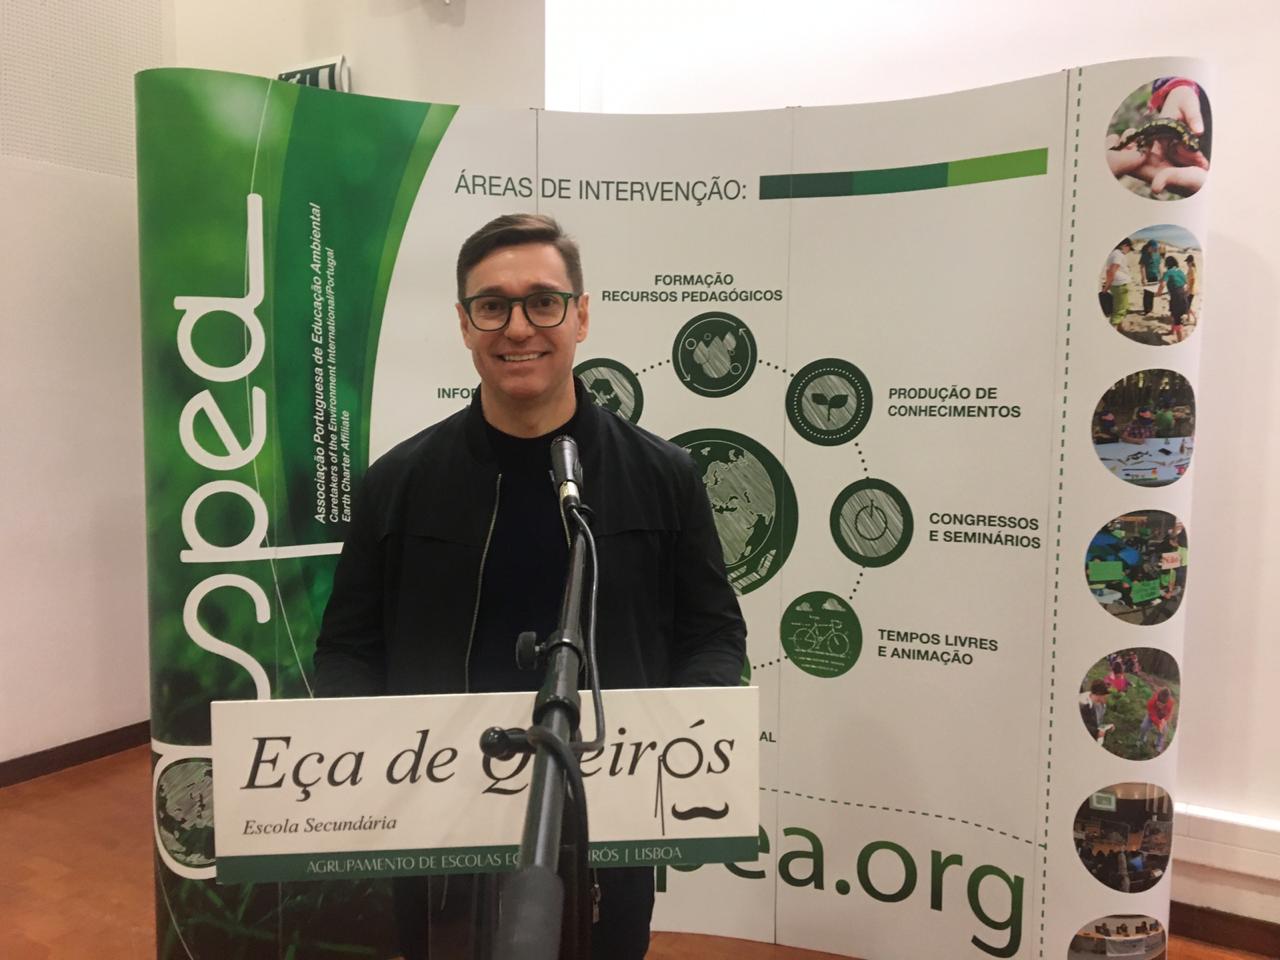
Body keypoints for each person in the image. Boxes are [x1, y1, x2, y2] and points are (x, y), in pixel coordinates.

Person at [315, 213, 748, 960]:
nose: (518, 328)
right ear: (464, 323)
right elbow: (348, 649)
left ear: (581, 315)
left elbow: (713, 633)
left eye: (543, 302)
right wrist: (377, 762)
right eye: (492, 306)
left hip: (609, 825)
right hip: (439, 827)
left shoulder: (664, 475)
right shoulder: (398, 483)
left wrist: (668, 744)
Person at [1156, 254, 1190, 342]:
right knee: (1173, 314)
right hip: (1183, 297)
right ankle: (1172, 331)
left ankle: (1180, 341)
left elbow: (1162, 284)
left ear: (1167, 264)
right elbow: (1186, 285)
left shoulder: (1168, 272)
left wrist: (1158, 293)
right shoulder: (1180, 271)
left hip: (1176, 299)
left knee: (1177, 320)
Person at [1101, 239, 1134, 329]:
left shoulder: (1115, 254)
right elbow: (1111, 271)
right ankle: (1113, 330)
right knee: (1119, 310)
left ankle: (1120, 327)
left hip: (1118, 284)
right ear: (1124, 245)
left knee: (1121, 307)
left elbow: (1110, 271)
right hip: (1119, 285)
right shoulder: (1118, 254)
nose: (1129, 251)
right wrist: (1107, 286)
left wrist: (1107, 284)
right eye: (1129, 248)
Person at [1141, 687, 1177, 754]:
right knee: (1144, 726)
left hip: (1162, 715)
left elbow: (1169, 714)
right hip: (1153, 714)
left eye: (1162, 705)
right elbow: (1152, 715)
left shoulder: (1171, 703)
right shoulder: (1151, 702)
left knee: (1164, 730)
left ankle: (1158, 744)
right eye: (1158, 704)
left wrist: (1164, 721)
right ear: (1157, 699)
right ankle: (1142, 739)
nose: (1160, 706)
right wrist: (1159, 723)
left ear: (1166, 703)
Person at [1079, 679, 1114, 744]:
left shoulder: (1101, 705)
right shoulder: (1083, 705)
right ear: (1099, 694)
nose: (1108, 697)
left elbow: (1096, 724)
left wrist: (1107, 727)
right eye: (1106, 695)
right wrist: (1096, 732)